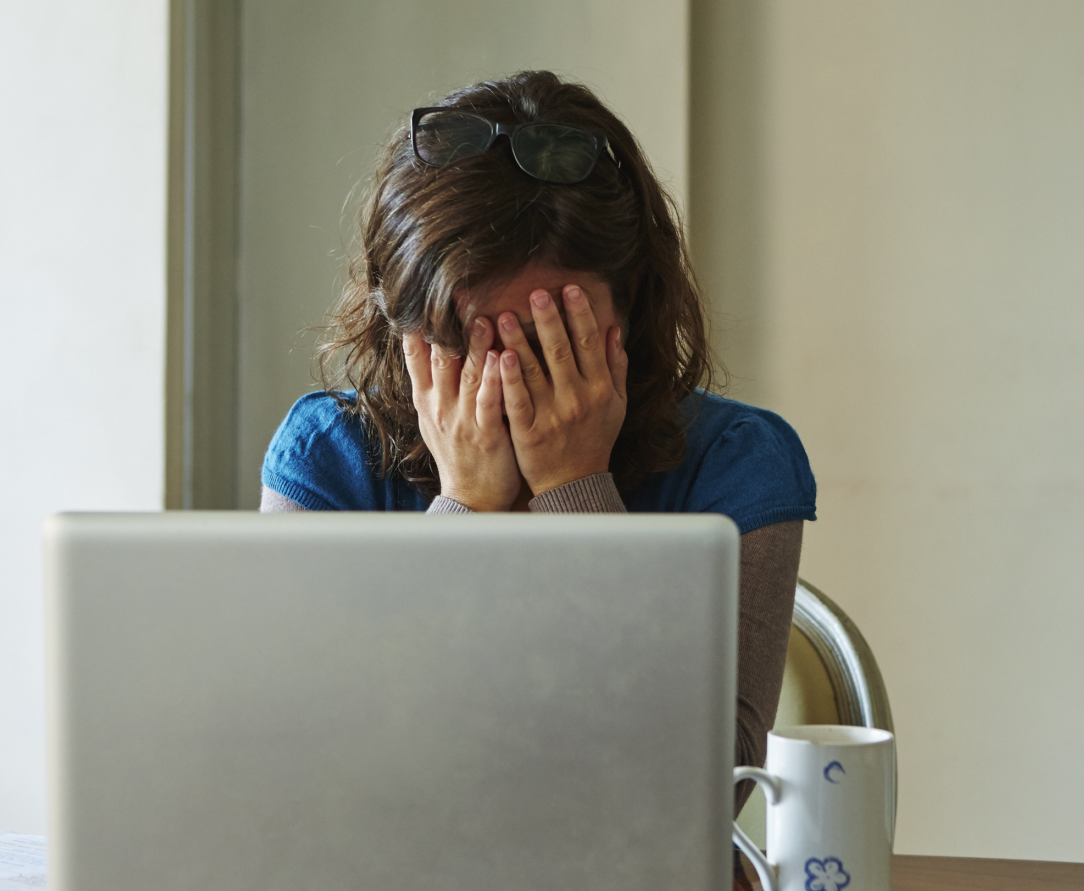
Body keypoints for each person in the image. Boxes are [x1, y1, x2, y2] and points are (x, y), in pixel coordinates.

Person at [260, 71, 816, 774]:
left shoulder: (736, 461)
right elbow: (308, 761)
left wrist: (575, 490)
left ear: (631, 310)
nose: (506, 378)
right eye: (469, 344)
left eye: (551, 342)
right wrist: (464, 504)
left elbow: (711, 786)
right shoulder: (328, 457)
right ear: (399, 323)